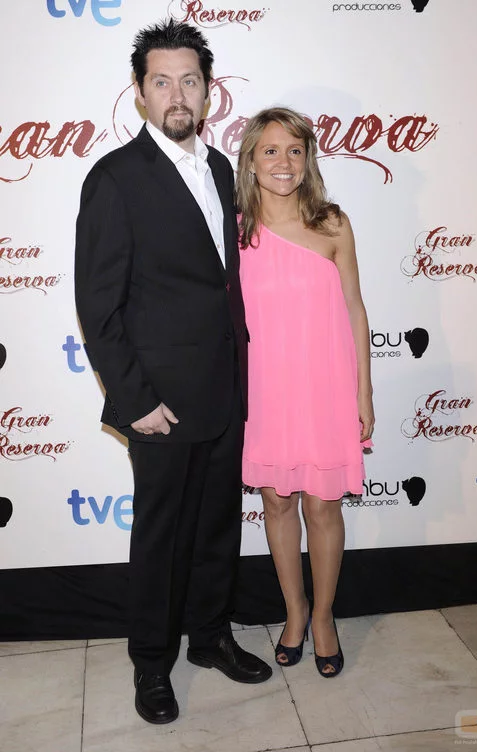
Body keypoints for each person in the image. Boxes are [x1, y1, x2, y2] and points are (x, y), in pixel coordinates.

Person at [74, 19, 272, 725]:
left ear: (209, 91)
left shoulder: (220, 169)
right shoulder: (115, 179)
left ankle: (210, 637)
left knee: (218, 526)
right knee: (160, 539)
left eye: (190, 81)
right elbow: (98, 306)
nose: (177, 95)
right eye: (162, 82)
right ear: (140, 92)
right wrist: (134, 399)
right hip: (159, 401)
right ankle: (151, 664)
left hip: (224, 390)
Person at [236, 107, 374, 678]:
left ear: (307, 159)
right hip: (265, 390)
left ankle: (322, 617)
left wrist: (364, 391)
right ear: (251, 161)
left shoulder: (332, 224)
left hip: (325, 388)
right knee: (276, 502)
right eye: (270, 150)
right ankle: (293, 611)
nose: (283, 162)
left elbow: (355, 310)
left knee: (323, 505)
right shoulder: (234, 231)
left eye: (295, 150)